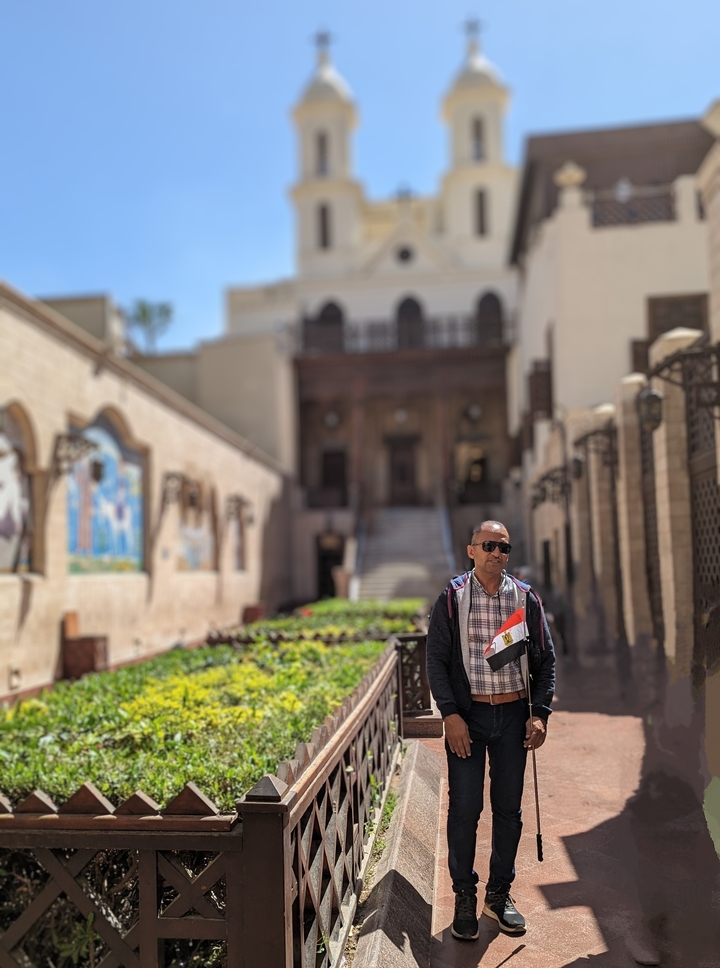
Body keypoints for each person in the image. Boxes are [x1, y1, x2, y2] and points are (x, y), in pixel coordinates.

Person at [426, 520, 555, 940]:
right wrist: (450, 714)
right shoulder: (452, 598)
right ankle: (465, 893)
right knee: (465, 809)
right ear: (471, 550)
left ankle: (499, 896)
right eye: (489, 545)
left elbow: (546, 661)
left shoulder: (524, 598)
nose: (497, 553)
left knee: (509, 810)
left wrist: (541, 714)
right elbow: (436, 661)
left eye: (504, 547)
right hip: (469, 718)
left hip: (514, 717)